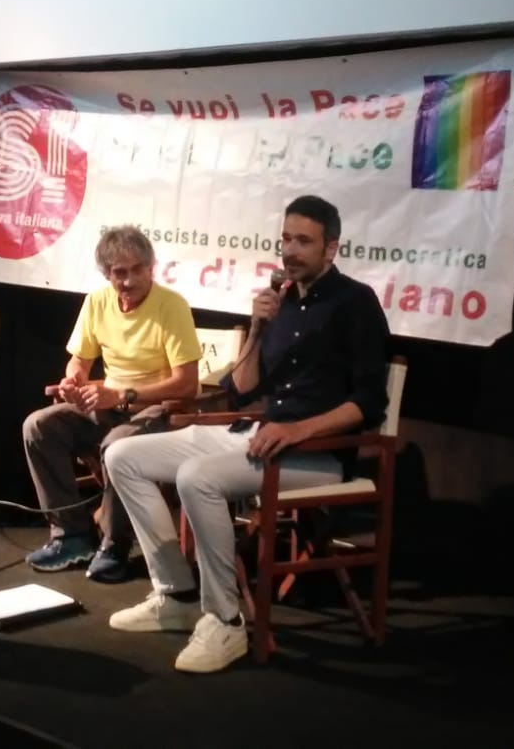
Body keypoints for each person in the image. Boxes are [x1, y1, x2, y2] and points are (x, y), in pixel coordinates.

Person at [103, 195, 390, 673]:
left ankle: (225, 621)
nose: (290, 250)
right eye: (286, 239)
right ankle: (176, 595)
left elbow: (370, 402)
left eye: (304, 241)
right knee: (123, 456)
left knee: (197, 477)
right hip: (257, 435)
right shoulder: (281, 303)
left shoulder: (355, 303)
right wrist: (257, 329)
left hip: (317, 454)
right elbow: (242, 390)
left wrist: (297, 430)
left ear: (331, 248)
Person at [22, 225, 204, 582]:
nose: (129, 280)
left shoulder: (172, 306)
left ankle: (115, 544)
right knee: (38, 427)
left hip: (158, 409)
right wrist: (74, 380)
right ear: (107, 274)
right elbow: (79, 361)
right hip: (107, 406)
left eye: (138, 270)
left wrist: (123, 395)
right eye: (120, 272)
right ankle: (72, 535)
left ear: (151, 267)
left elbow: (186, 384)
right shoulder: (97, 302)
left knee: (116, 446)